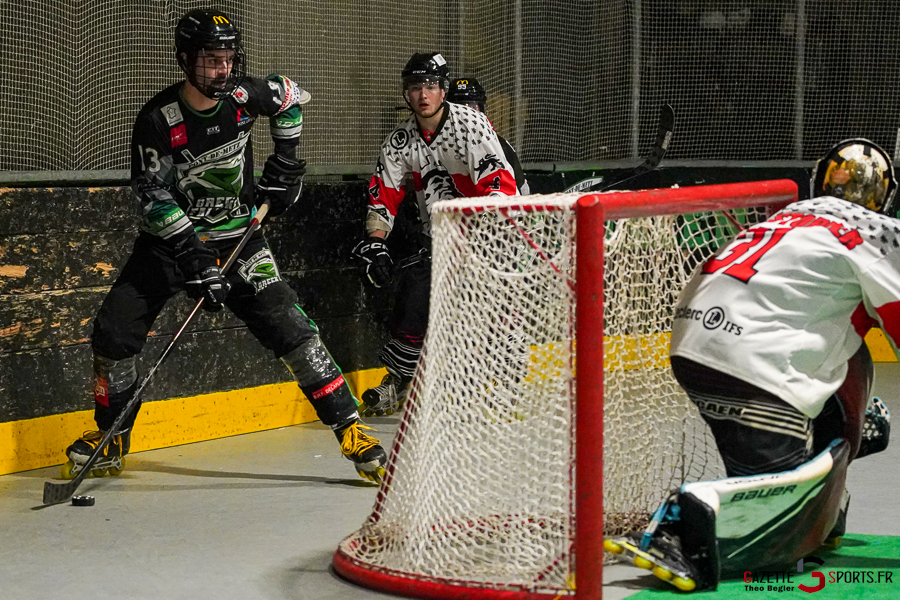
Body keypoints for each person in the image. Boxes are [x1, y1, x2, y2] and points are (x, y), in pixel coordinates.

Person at [62, 9, 387, 484]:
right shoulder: (157, 120)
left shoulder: (242, 97)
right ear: (184, 60)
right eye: (211, 60)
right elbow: (153, 199)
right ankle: (111, 437)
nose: (222, 70)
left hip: (241, 239)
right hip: (170, 247)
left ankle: (350, 427)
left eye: (228, 59)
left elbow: (291, 99)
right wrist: (193, 257)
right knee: (114, 333)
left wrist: (287, 164)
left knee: (290, 326)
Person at [605, 138, 893, 591]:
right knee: (784, 528)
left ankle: (829, 494)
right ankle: (687, 522)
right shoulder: (876, 229)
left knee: (847, 338)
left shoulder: (788, 217)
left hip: (694, 348)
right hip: (755, 364)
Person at [353, 53, 519, 417]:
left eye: (430, 85)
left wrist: (479, 242)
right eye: (415, 87)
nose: (423, 95)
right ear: (406, 93)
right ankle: (398, 378)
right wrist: (376, 242)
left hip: (491, 232)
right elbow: (384, 194)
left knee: (493, 311)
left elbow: (498, 187)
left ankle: (506, 380)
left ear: (443, 89)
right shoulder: (400, 141)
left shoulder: (471, 125)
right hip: (440, 236)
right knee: (414, 298)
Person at [446, 77, 530, 195]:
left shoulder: (499, 145)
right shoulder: (439, 145)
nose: (466, 116)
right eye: (458, 109)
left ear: (482, 110)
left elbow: (522, 190)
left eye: (471, 108)